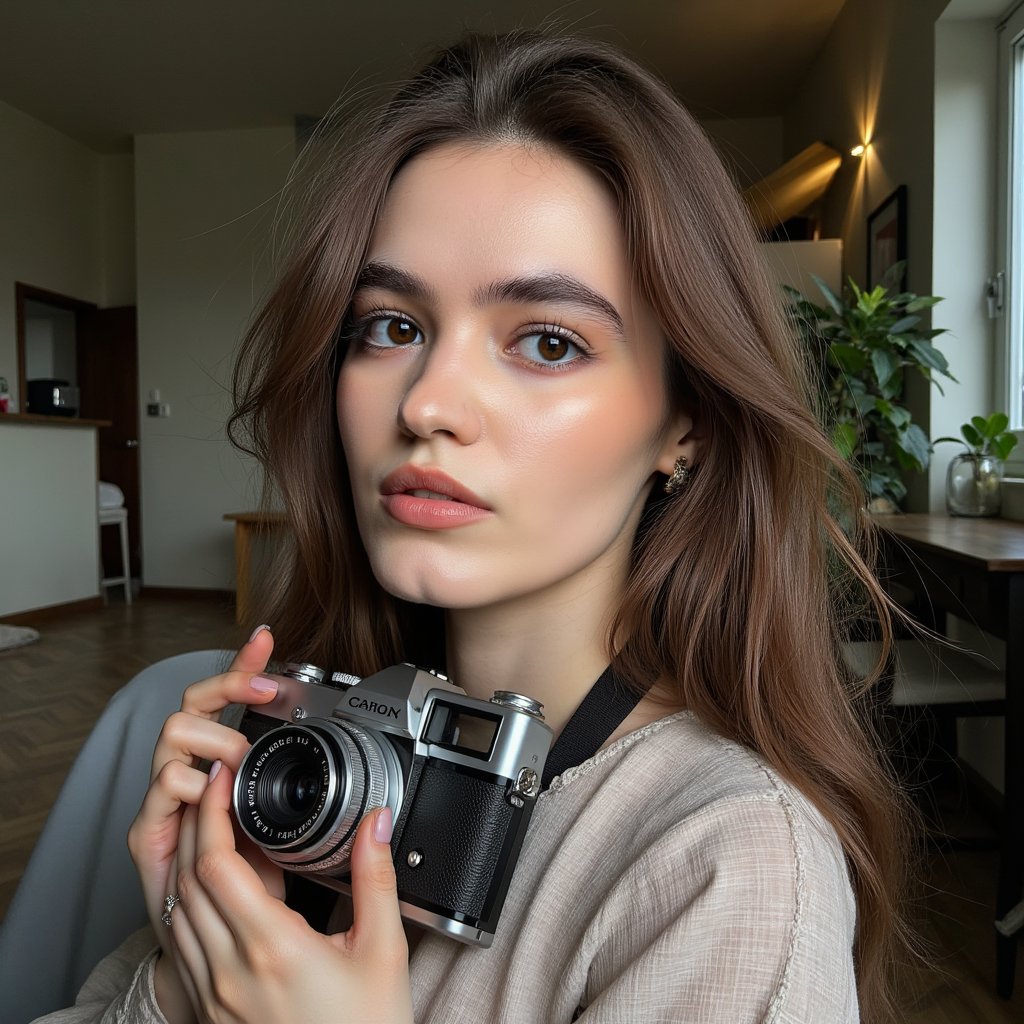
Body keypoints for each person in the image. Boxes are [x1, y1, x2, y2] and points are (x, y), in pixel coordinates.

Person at [38, 29, 913, 1024]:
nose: (427, 402)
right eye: (392, 326)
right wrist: (188, 957)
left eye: (546, 341)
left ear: (687, 424)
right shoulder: (311, 751)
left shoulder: (728, 864)